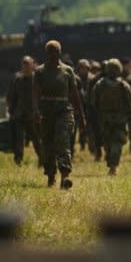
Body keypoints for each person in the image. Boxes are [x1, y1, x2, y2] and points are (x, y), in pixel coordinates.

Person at [33, 40, 86, 189]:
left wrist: (81, 117)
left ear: (59, 52)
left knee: (62, 141)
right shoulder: (40, 72)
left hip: (64, 110)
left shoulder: (67, 71)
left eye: (55, 51)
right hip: (46, 111)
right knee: (48, 144)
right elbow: (35, 93)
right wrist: (36, 110)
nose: (52, 54)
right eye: (49, 51)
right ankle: (51, 176)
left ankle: (65, 175)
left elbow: (75, 95)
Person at [90, 58, 131, 176]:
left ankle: (111, 163)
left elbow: (93, 101)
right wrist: (130, 114)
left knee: (107, 141)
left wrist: (99, 112)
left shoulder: (100, 84)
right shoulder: (123, 85)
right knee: (117, 142)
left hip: (104, 118)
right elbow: (130, 102)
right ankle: (113, 166)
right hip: (120, 118)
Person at [6, 56, 42, 166]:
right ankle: (18, 160)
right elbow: (11, 97)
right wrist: (11, 112)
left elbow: (41, 96)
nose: (26, 66)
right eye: (24, 64)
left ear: (32, 65)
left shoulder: (37, 79)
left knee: (37, 139)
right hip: (20, 114)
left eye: (28, 64)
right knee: (19, 138)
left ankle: (42, 159)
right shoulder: (17, 79)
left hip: (33, 115)